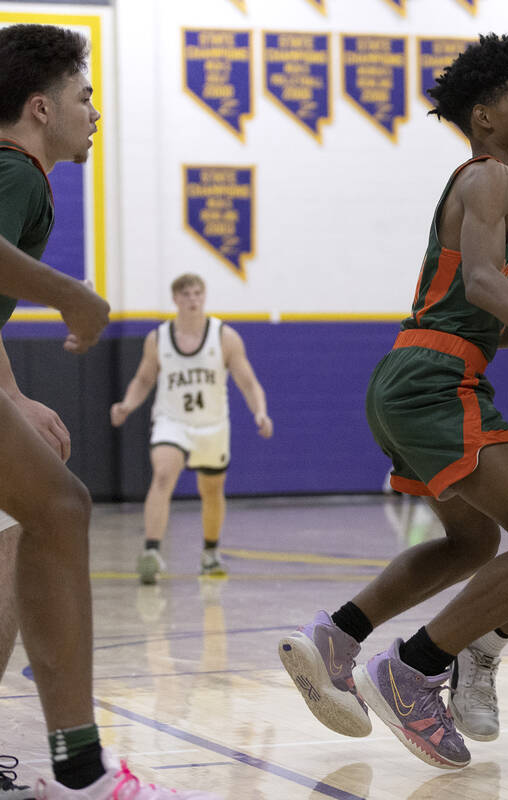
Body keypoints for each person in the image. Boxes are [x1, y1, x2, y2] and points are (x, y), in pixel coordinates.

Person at [276, 32, 508, 770]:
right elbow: (485, 288)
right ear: (484, 114)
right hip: (436, 384)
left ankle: (339, 636)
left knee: (472, 543)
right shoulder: (490, 176)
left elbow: (487, 316)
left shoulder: (494, 186)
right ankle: (415, 670)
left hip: (415, 375)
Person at [0, 24, 219, 799]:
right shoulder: (16, 174)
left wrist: (14, 395)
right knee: (60, 509)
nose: (94, 113)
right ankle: (82, 769)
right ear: (39, 107)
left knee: (31, 521)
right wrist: (70, 293)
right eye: (83, 98)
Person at [110, 273, 273, 584]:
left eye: (198, 293)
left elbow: (248, 382)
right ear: (175, 299)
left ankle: (210, 553)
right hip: (172, 422)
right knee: (162, 475)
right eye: (186, 294)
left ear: (204, 296)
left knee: (211, 491)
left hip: (212, 426)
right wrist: (127, 405)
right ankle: (152, 552)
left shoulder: (224, 337)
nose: (193, 299)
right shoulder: (157, 339)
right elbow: (144, 379)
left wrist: (260, 413)